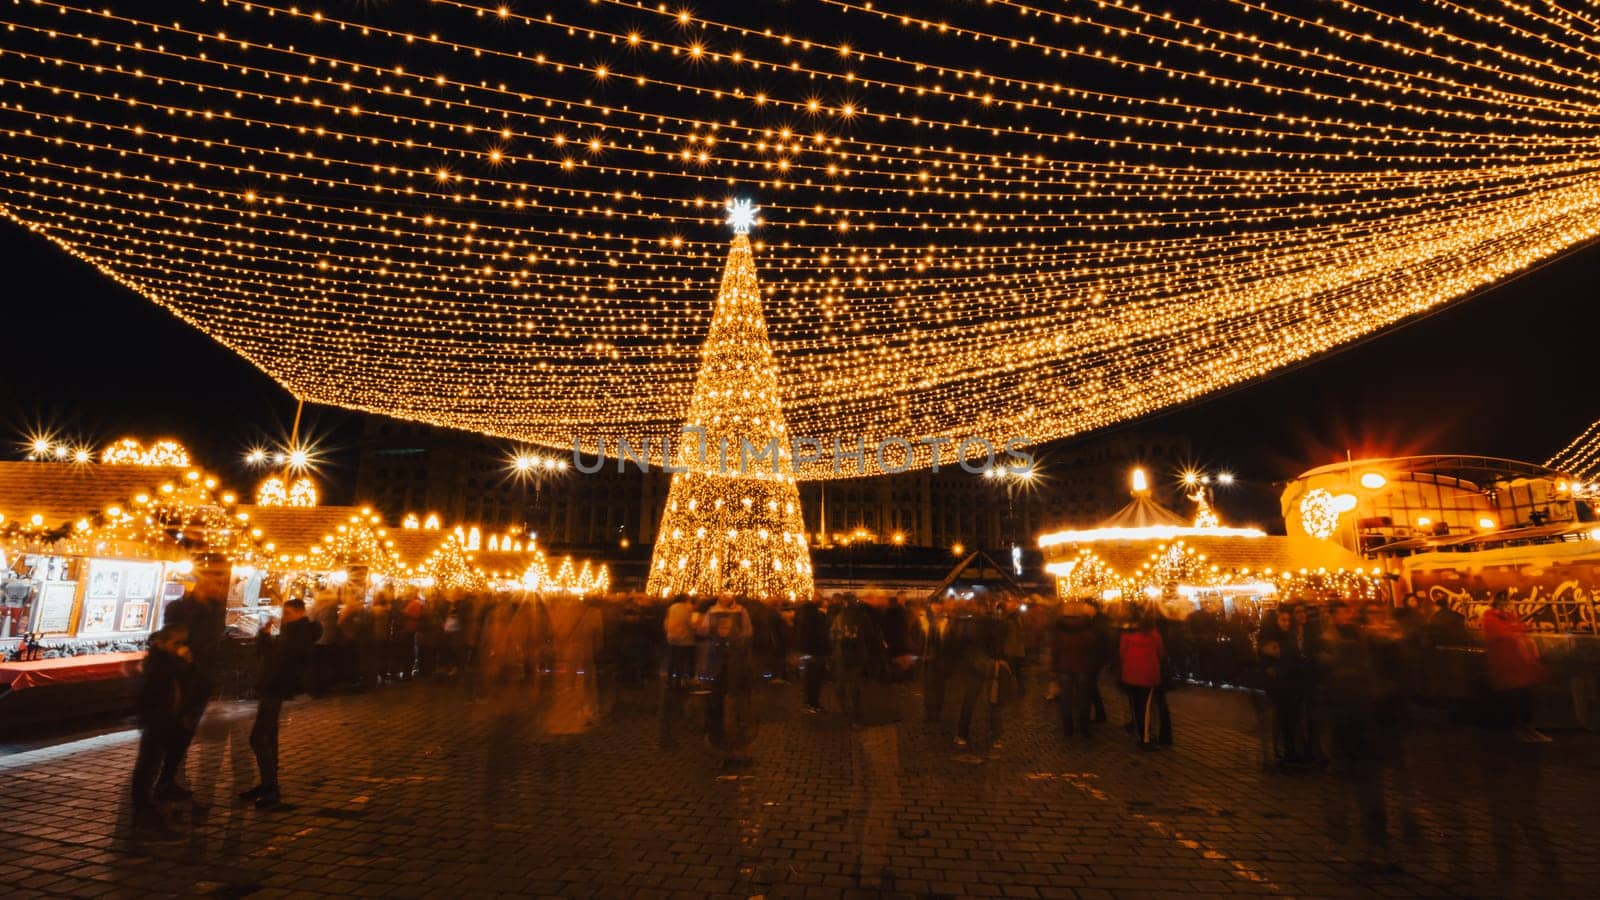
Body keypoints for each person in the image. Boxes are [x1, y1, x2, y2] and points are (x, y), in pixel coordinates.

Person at [156, 553, 230, 800]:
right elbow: (166, 639)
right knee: (173, 728)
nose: (218, 585)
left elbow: (215, 642)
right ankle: (163, 779)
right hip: (180, 677)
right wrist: (181, 651)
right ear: (202, 580)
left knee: (186, 730)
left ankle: (170, 777)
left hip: (202, 677)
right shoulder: (179, 608)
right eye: (215, 579)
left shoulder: (216, 610)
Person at [240, 599, 321, 809]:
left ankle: (271, 788)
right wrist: (265, 635)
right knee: (269, 736)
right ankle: (268, 784)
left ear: (298, 612)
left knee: (258, 738)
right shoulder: (292, 631)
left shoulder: (297, 633)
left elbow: (279, 661)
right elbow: (270, 655)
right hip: (273, 687)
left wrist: (267, 681)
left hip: (274, 688)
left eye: (287, 613)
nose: (283, 616)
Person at [131, 624, 190, 839]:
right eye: (176, 644)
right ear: (161, 643)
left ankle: (146, 813)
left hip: (163, 719)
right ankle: (144, 815)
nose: (181, 648)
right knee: (147, 766)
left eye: (183, 643)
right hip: (157, 720)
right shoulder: (160, 663)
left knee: (151, 765)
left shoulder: (166, 661)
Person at [1481, 592, 1548, 742]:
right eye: (1505, 601)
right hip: (1506, 663)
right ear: (1498, 603)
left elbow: (1512, 631)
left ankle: (1527, 727)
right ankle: (1518, 728)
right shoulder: (1489, 618)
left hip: (1518, 663)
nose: (1508, 604)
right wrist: (1520, 628)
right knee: (1514, 696)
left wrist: (1521, 627)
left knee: (1524, 694)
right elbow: (1502, 634)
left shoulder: (1509, 618)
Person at [699, 593, 756, 765]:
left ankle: (736, 744)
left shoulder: (741, 611)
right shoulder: (712, 611)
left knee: (735, 697)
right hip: (718, 657)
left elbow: (747, 631)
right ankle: (724, 742)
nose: (725, 598)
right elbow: (703, 629)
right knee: (718, 695)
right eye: (723, 595)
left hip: (734, 657)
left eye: (728, 595)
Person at [830, 594, 885, 725]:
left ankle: (843, 708)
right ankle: (855, 709)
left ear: (844, 603)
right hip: (858, 654)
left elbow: (832, 635)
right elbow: (870, 635)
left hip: (841, 654)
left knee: (841, 682)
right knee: (855, 683)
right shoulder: (863, 616)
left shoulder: (839, 616)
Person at [1119, 611, 1171, 750]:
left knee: (1136, 706)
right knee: (1147, 708)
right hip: (1148, 676)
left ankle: (1140, 734)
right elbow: (1161, 654)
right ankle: (1146, 739)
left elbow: (1122, 654)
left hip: (1130, 675)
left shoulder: (1127, 636)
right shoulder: (1155, 636)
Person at [1050, 601, 1098, 739]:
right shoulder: (1086, 627)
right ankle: (1084, 727)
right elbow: (1091, 646)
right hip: (1083, 666)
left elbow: (1055, 650)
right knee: (1083, 699)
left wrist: (1053, 669)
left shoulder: (1059, 628)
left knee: (1066, 699)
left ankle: (1068, 728)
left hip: (1064, 667)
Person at [793, 594, 830, 712]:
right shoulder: (817, 616)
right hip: (815, 652)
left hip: (806, 651)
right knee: (814, 679)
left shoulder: (801, 615)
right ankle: (812, 703)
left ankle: (810, 703)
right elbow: (820, 636)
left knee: (809, 679)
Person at [663, 594, 699, 689]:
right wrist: (695, 628)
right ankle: (678, 681)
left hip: (672, 637)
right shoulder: (688, 608)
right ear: (686, 600)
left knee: (672, 659)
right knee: (681, 661)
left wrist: (669, 631)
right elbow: (689, 623)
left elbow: (666, 621)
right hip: (684, 638)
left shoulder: (671, 608)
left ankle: (669, 680)